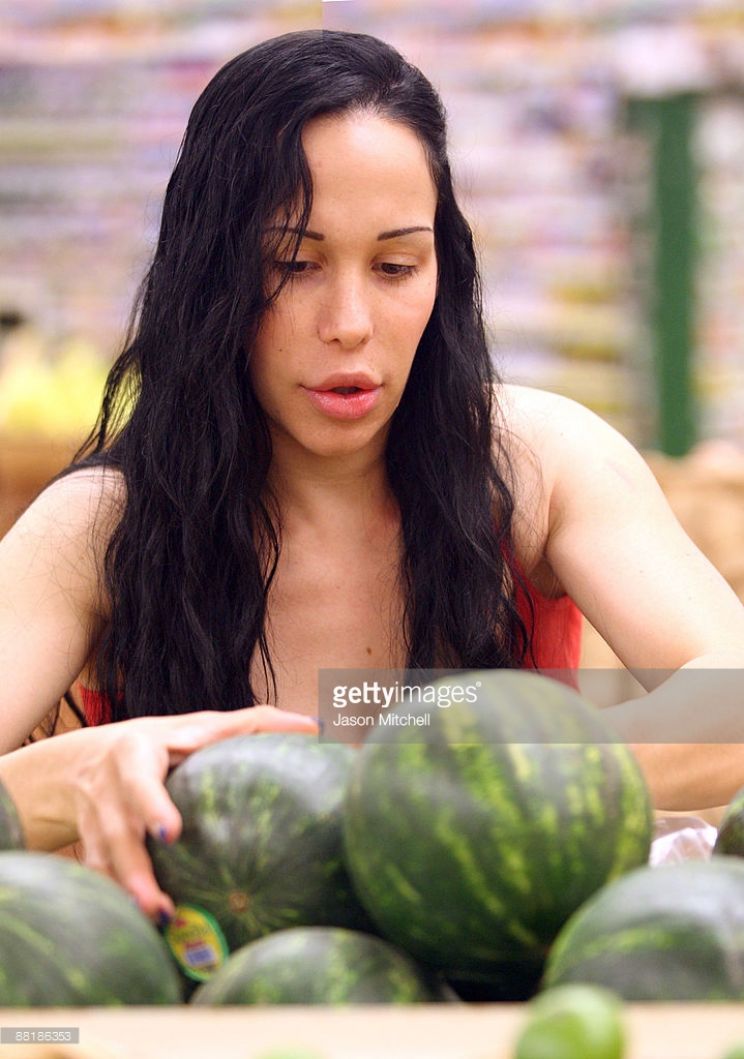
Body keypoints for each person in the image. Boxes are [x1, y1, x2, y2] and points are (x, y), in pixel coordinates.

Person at [1, 29, 743, 926]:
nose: (351, 323)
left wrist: (485, 773)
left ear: (444, 268)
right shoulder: (101, 529)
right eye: (294, 265)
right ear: (209, 274)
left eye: (396, 266)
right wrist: (62, 781)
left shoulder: (531, 463)